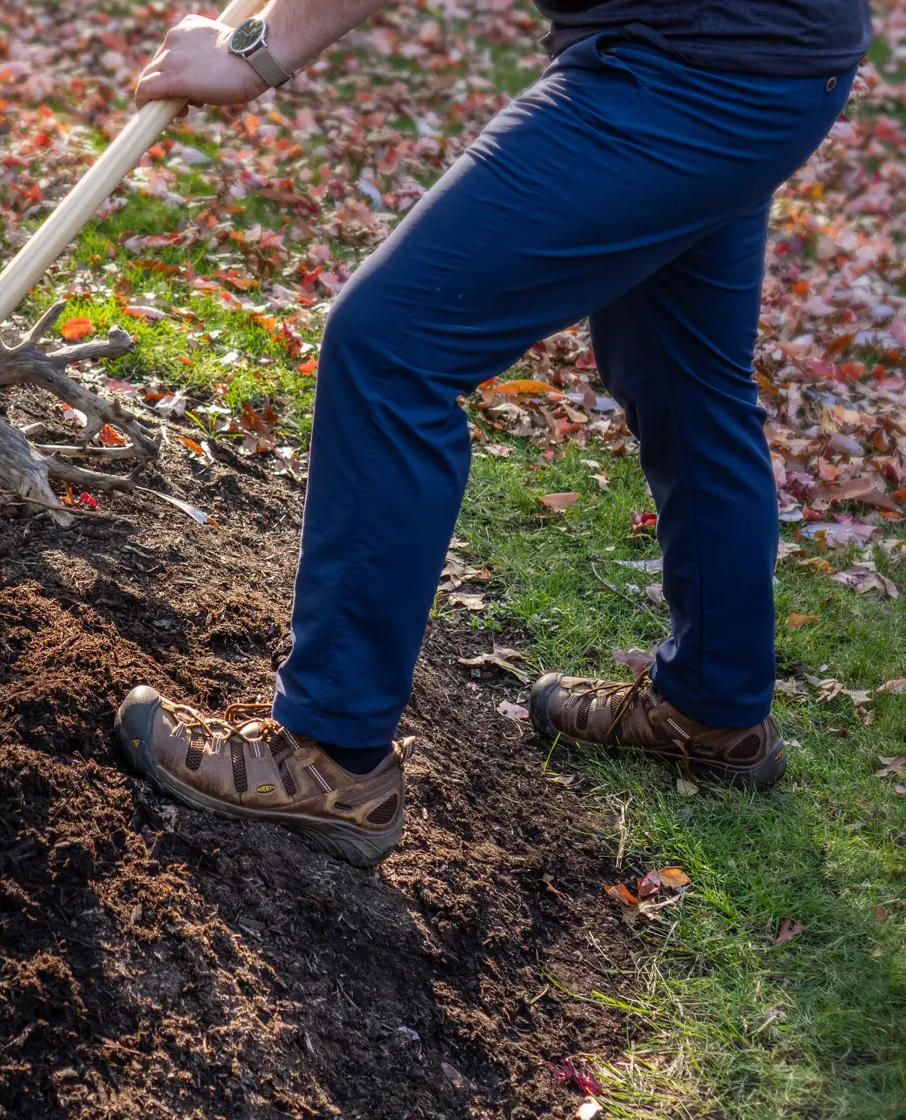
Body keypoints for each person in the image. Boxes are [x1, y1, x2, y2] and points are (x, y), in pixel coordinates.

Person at [115, 0, 873, 868]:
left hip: (685, 72)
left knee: (389, 347)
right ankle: (713, 703)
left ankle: (331, 751)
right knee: (681, 374)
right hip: (777, 64)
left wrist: (254, 50)